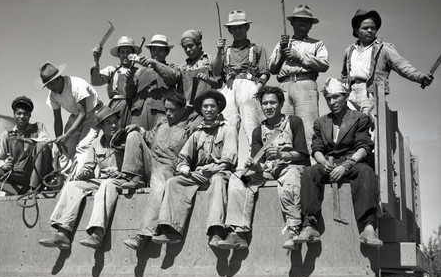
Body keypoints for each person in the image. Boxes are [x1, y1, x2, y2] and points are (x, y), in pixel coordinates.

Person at [217, 86, 310, 250]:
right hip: (268, 171)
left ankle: (294, 230)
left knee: (291, 179)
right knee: (239, 178)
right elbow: (260, 165)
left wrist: (282, 155)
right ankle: (238, 233)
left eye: (272, 103)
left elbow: (302, 154)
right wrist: (254, 165)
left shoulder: (294, 122)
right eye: (265, 103)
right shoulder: (258, 131)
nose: (268, 107)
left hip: (291, 168)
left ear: (281, 104)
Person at [293, 78, 383, 247]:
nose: (332, 102)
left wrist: (346, 165)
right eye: (328, 98)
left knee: (366, 172)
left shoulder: (360, 118)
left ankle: (369, 227)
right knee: (309, 172)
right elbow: (317, 148)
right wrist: (323, 161)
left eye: (336, 97)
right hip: (329, 162)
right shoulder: (321, 122)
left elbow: (364, 147)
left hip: (352, 161)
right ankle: (309, 225)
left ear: (346, 96)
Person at [151, 90, 237, 245]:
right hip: (201, 173)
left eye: (212, 106)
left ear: (218, 109)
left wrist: (214, 169)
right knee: (173, 182)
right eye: (205, 106)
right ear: (201, 110)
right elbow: (183, 158)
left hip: (221, 172)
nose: (209, 109)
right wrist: (183, 167)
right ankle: (172, 230)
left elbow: (228, 160)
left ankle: (216, 231)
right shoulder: (198, 133)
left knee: (217, 181)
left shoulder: (228, 129)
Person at [38, 105, 130, 250]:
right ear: (101, 127)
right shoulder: (95, 144)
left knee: (107, 185)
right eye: (108, 123)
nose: (113, 125)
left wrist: (121, 172)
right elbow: (88, 166)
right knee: (72, 185)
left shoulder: (127, 139)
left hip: (123, 179)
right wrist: (83, 174)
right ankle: (62, 234)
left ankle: (97, 234)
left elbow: (137, 166)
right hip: (103, 180)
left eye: (115, 121)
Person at [123, 92, 198, 250]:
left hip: (168, 166)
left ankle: (143, 235)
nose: (168, 113)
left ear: (182, 109)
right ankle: (134, 177)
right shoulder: (161, 121)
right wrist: (140, 130)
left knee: (158, 189)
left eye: (172, 110)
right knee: (134, 135)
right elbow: (149, 137)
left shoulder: (190, 127)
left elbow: (203, 114)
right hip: (150, 160)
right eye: (166, 110)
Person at [341, 9, 434, 114]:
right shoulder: (349, 50)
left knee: (371, 127)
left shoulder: (384, 48)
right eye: (365, 28)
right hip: (351, 94)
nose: (370, 30)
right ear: (357, 30)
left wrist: (419, 77)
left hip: (371, 93)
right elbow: (344, 75)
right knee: (349, 128)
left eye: (373, 28)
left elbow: (402, 65)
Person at [269, 4, 329, 149]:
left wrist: (300, 56)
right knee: (283, 128)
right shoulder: (283, 43)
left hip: (305, 85)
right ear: (292, 22)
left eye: (307, 21)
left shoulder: (317, 44)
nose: (303, 23)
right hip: (283, 86)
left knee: (308, 128)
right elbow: (272, 68)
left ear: (311, 25)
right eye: (299, 20)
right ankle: (285, 166)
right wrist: (281, 53)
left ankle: (311, 167)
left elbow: (324, 64)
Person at [212, 10, 270, 145]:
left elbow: (265, 72)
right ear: (230, 30)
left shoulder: (258, 48)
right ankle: (228, 161)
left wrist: (257, 89)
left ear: (247, 27)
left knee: (252, 125)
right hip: (229, 86)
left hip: (249, 85)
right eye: (234, 28)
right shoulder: (225, 51)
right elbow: (216, 72)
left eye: (240, 27)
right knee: (227, 126)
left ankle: (256, 161)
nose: (237, 30)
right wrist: (219, 51)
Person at [36, 62, 102, 175]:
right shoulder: (52, 95)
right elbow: (57, 119)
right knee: (65, 149)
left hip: (93, 113)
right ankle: (64, 181)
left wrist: (67, 135)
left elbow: (83, 114)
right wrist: (59, 141)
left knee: (83, 147)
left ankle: (80, 179)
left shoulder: (76, 85)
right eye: (47, 85)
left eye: (51, 84)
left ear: (58, 78)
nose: (50, 88)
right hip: (76, 115)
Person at [0, 96, 53, 194]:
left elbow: (48, 143)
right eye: (19, 113)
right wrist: (5, 165)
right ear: (14, 115)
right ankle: (20, 191)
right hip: (16, 173)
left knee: (41, 146)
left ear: (30, 115)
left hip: (36, 171)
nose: (22, 116)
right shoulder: (6, 134)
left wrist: (25, 140)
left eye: (25, 113)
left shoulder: (38, 127)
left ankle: (34, 188)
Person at [125, 34, 180, 130]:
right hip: (139, 115)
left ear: (167, 52)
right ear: (150, 51)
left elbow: (172, 78)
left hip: (161, 115)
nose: (156, 52)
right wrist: (129, 80)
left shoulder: (172, 68)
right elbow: (129, 95)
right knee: (135, 140)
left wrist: (154, 63)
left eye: (160, 50)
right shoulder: (140, 71)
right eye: (154, 49)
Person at [90, 36, 141, 127]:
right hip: (116, 108)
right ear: (118, 54)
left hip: (135, 108)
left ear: (133, 54)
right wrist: (96, 60)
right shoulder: (112, 70)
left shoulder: (139, 72)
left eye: (128, 52)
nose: (125, 55)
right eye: (122, 52)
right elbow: (95, 81)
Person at [177, 30, 221, 122]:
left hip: (206, 110)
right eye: (185, 48)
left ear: (199, 44)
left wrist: (208, 80)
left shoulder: (210, 61)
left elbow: (219, 84)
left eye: (191, 46)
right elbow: (179, 93)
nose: (188, 50)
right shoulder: (183, 68)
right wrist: (184, 104)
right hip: (188, 113)